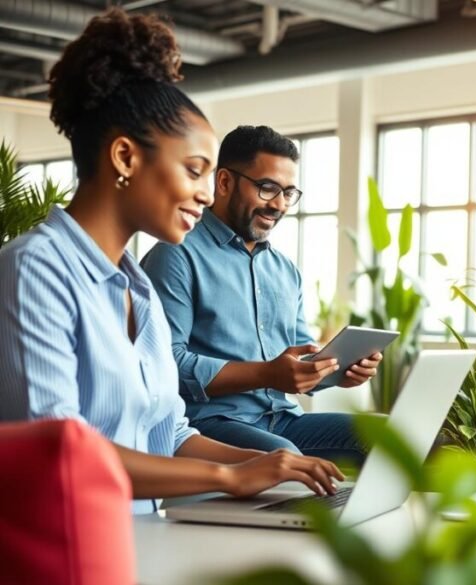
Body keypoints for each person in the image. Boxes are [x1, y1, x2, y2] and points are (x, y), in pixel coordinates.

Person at [0, 9, 345, 514]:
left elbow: (169, 432)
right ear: (124, 158)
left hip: (143, 535)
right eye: (195, 170)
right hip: (67, 547)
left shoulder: (136, 287)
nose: (208, 195)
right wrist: (227, 475)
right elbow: (62, 457)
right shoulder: (34, 269)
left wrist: (262, 467)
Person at [141, 125, 380, 463]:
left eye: (289, 192)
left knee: (391, 440)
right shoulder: (176, 253)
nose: (279, 204)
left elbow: (297, 364)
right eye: (267, 189)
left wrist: (335, 371)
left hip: (282, 419)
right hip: (209, 423)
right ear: (224, 182)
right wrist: (267, 373)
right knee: (289, 459)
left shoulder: (286, 271)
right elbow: (164, 363)